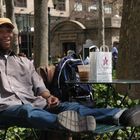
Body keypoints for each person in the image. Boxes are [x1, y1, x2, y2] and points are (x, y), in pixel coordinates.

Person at [0, 18, 140, 134]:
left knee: (71, 107)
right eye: (1, 31)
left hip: (36, 104)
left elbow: (39, 86)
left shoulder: (24, 62)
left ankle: (120, 115)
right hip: (5, 109)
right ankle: (68, 123)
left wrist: (49, 97)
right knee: (27, 110)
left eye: (8, 31)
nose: (6, 34)